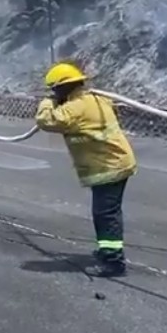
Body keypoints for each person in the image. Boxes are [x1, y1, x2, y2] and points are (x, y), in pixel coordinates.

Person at [35, 62, 137, 278]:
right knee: (105, 212)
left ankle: (113, 262)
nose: (53, 93)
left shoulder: (77, 106)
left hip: (109, 166)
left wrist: (47, 102)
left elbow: (47, 120)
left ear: (63, 87)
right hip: (112, 162)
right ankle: (107, 251)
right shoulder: (94, 99)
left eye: (54, 89)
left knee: (106, 214)